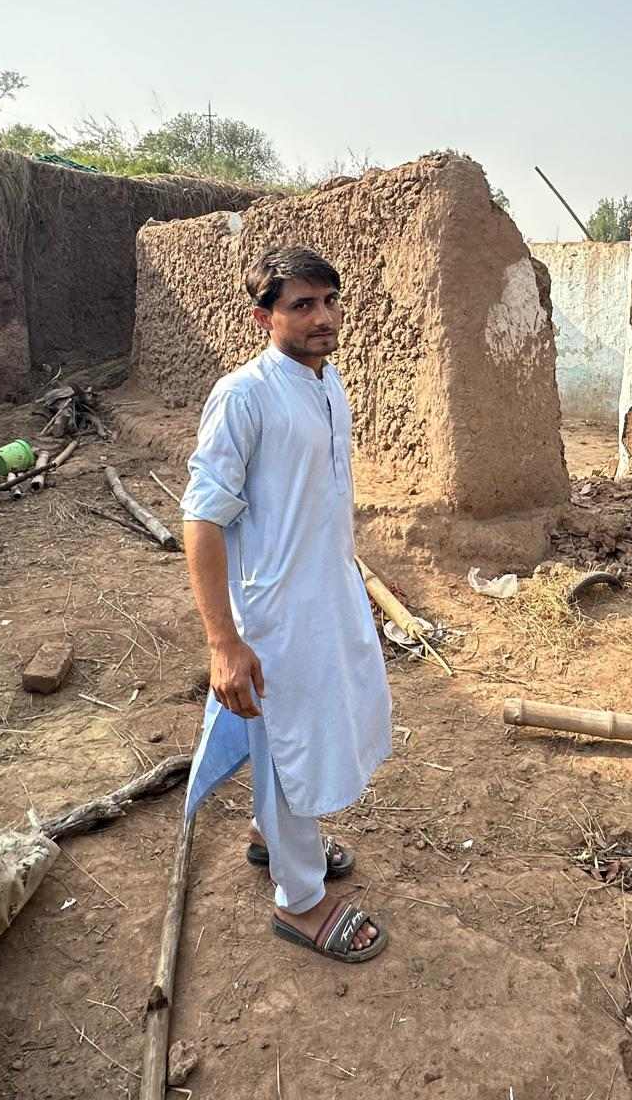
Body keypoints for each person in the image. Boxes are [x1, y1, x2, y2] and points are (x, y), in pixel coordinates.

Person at [178, 246, 392, 963]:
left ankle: (271, 839)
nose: (323, 317)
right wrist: (222, 642)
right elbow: (202, 519)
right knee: (292, 743)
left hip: (325, 593)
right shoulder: (245, 395)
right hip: (274, 613)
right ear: (263, 316)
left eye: (330, 301)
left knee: (300, 735)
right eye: (302, 305)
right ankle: (300, 903)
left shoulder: (327, 385)